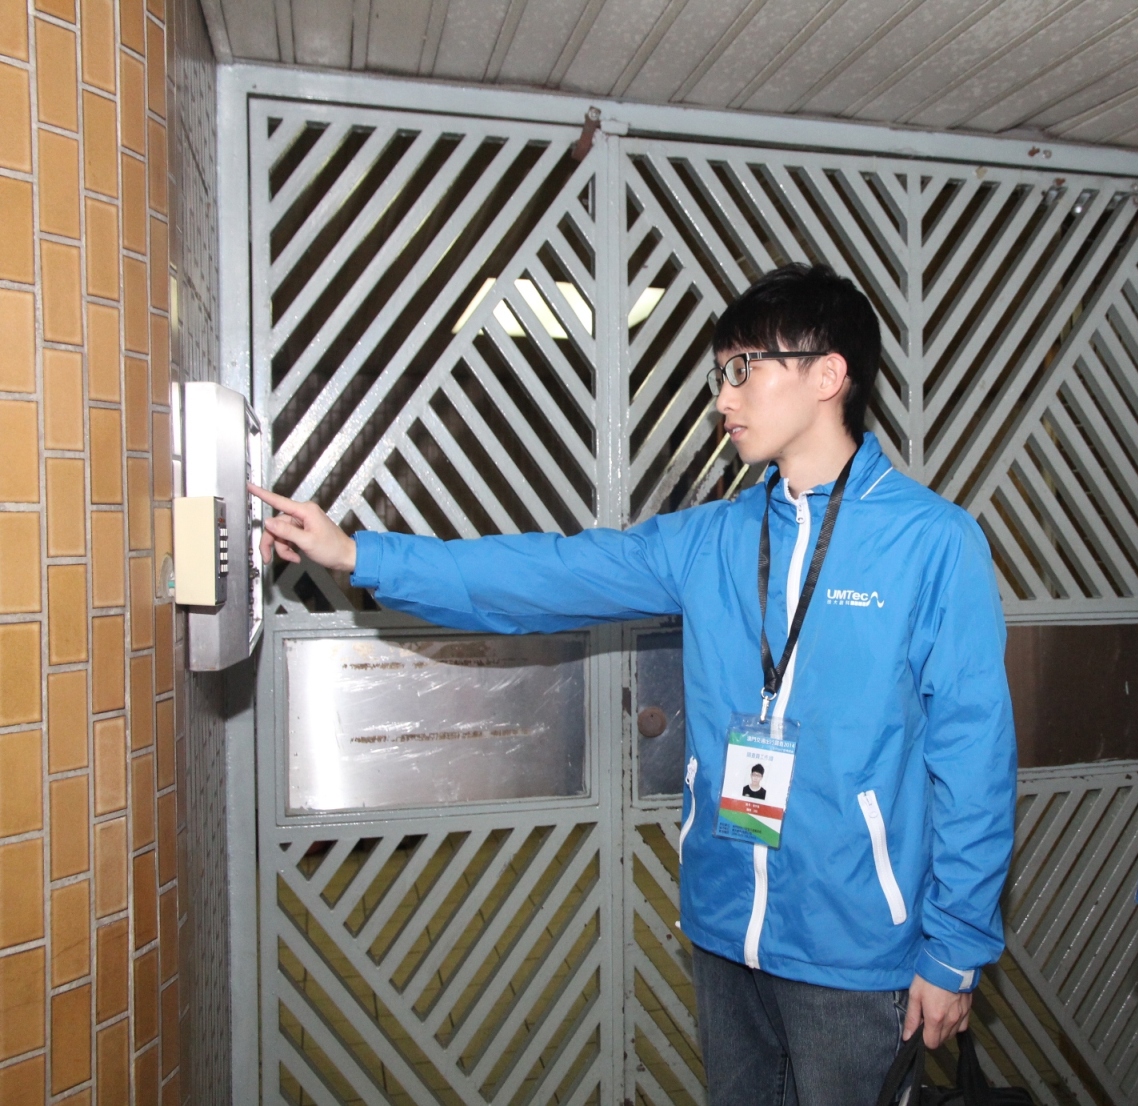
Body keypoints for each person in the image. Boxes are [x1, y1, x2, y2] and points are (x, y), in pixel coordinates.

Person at [251, 263, 1017, 1106]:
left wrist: (954, 949)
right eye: (719, 373)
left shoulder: (932, 542)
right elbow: (552, 572)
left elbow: (973, 758)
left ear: (827, 374)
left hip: (855, 946)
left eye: (742, 369)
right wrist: (361, 555)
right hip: (724, 927)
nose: (723, 397)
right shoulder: (713, 537)